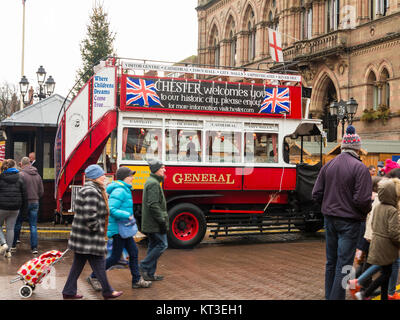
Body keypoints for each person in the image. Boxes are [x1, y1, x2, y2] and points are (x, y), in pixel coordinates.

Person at [312, 125, 372, 300]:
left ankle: (329, 296)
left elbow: (316, 194)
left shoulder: (328, 165)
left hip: (330, 219)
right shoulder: (360, 168)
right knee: (343, 264)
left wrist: (329, 206)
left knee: (331, 262)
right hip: (349, 221)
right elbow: (362, 200)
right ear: (357, 148)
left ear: (343, 147)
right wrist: (365, 211)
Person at [62, 164, 122, 299]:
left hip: (84, 237)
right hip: (89, 237)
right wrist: (98, 229)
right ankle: (107, 291)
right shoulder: (91, 191)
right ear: (95, 177)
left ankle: (69, 291)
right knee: (99, 262)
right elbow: (90, 215)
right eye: (102, 175)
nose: (104, 177)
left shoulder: (92, 189)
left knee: (78, 264)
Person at [87, 166, 151, 291]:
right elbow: (111, 210)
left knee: (133, 252)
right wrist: (127, 215)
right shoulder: (120, 191)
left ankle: (136, 280)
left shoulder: (124, 189)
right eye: (130, 176)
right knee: (115, 257)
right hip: (118, 230)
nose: (132, 178)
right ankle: (94, 276)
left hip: (123, 229)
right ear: (125, 178)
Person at [355, 178, 400, 300]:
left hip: (377, 242)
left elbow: (373, 223)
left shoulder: (379, 206)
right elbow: (393, 233)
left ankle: (383, 296)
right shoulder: (392, 210)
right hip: (388, 247)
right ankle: (363, 292)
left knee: (384, 271)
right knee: (386, 273)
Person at [139, 160, 168, 281]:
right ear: (156, 169)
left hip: (152, 222)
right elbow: (153, 204)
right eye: (162, 168)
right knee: (162, 245)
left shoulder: (153, 182)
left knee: (153, 245)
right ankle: (143, 266)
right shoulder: (153, 184)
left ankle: (150, 274)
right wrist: (161, 221)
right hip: (154, 222)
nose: (164, 170)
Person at [12, 157, 43, 254]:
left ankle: (13, 245)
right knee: (33, 225)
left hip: (23, 203)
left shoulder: (20, 175)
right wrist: (36, 197)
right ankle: (34, 248)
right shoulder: (37, 175)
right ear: (30, 163)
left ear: (22, 164)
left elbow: (17, 189)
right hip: (35, 202)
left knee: (18, 223)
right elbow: (41, 191)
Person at [0, 159, 27, 258]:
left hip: (2, 207)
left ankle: (3, 244)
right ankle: (8, 252)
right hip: (16, 207)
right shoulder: (20, 178)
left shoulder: (1, 178)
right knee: (10, 228)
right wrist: (24, 211)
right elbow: (25, 195)